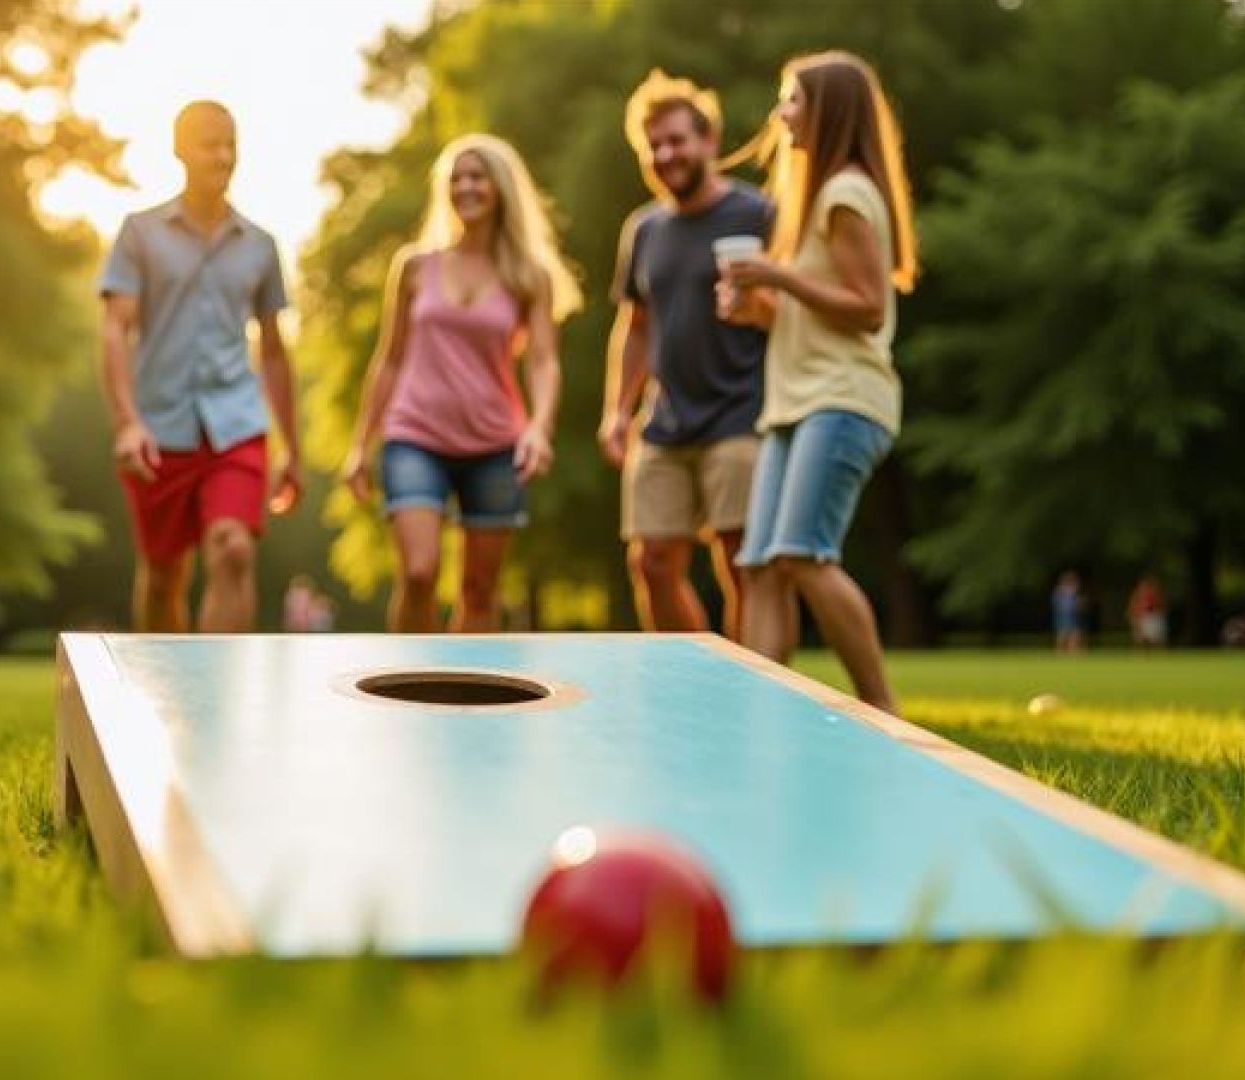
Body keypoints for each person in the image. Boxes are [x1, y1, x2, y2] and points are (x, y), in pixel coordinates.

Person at [718, 51, 919, 715]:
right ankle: (762, 714)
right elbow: (808, 311)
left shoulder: (845, 194)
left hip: (842, 398)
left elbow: (869, 308)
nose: (781, 114)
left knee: (803, 556)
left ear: (828, 110)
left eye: (793, 100)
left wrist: (777, 276)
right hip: (795, 402)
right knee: (761, 567)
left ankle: (883, 714)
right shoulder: (811, 201)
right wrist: (756, 307)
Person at [341, 134, 579, 632]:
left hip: (494, 443)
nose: (465, 187)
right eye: (456, 178)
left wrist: (539, 427)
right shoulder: (414, 266)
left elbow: (543, 362)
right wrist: (361, 444)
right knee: (419, 572)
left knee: (479, 590)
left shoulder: (529, 276)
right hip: (415, 435)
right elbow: (390, 360)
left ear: (501, 188)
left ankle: (463, 683)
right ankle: (412, 676)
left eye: (477, 176)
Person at [98, 101, 301, 633]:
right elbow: (115, 329)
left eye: (231, 144)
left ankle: (214, 688)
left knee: (233, 550)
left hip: (236, 423)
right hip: (158, 427)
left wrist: (292, 447)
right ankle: (162, 685)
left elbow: (274, 351)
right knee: (163, 576)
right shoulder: (140, 232)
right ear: (179, 150)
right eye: (211, 144)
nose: (224, 156)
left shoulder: (260, 245)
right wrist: (127, 422)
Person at [599, 71, 772, 637]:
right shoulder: (643, 230)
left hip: (742, 413)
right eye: (654, 145)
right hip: (665, 422)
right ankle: (695, 676)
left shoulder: (757, 213)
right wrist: (618, 411)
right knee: (651, 563)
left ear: (709, 140)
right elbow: (636, 326)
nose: (665, 154)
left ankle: (747, 682)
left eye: (676, 140)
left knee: (741, 562)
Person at [1127, 573, 1167, 649]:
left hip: (1154, 618)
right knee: (1142, 641)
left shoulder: (1157, 594)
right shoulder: (1138, 595)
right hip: (1142, 618)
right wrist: (1135, 620)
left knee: (1157, 641)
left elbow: (1162, 607)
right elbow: (1132, 609)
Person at [1051, 570, 1087, 653]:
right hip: (1063, 618)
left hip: (1073, 619)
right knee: (1062, 637)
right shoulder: (1059, 593)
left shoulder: (1075, 594)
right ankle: (1060, 653)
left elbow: (1080, 606)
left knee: (1075, 636)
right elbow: (1057, 605)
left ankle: (1074, 652)